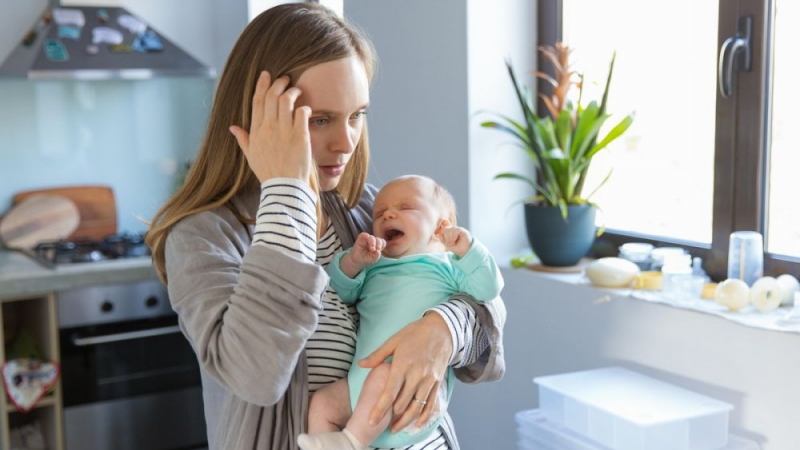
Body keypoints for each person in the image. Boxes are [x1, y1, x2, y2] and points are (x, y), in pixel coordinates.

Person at [144, 4, 506, 450]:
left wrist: (442, 330)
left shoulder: (369, 211)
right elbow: (255, 376)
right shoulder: (202, 237)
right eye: (320, 120)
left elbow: (487, 315)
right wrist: (286, 191)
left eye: (357, 115)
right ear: (259, 120)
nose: (346, 141)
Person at [297, 175, 504, 450]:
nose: (388, 215)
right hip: (357, 390)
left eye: (406, 207)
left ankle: (351, 441)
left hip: (409, 393)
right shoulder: (374, 266)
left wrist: (470, 250)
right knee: (322, 404)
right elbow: (340, 291)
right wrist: (353, 262)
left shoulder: (448, 266)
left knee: (384, 374)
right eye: (379, 213)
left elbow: (488, 290)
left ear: (441, 227)